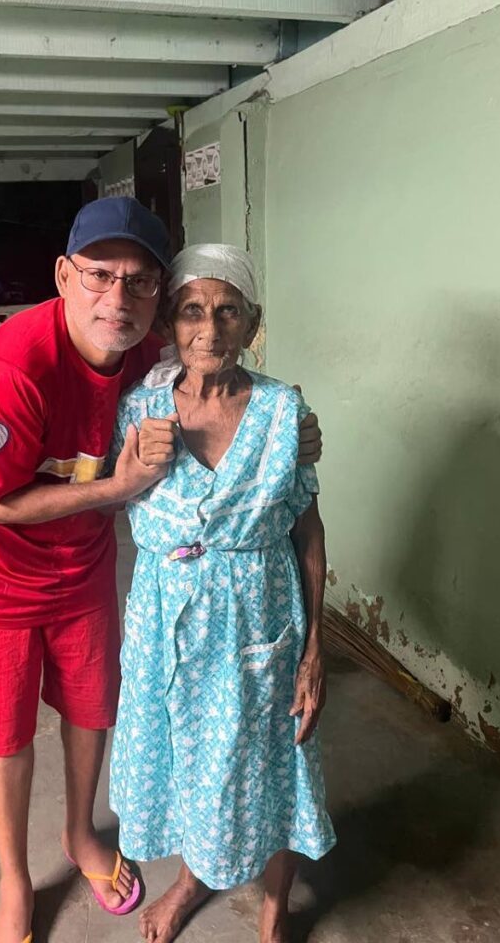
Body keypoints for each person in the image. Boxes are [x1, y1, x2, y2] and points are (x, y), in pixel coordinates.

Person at [0, 199, 324, 943]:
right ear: (66, 276)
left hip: (122, 578)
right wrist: (120, 487)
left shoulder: (237, 399)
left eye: (139, 281)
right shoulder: (48, 376)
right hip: (8, 578)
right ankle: (21, 884)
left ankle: (106, 845)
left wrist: (316, 644)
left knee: (114, 717)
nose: (116, 297)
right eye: (99, 276)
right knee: (16, 731)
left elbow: (299, 505)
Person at [109, 243, 336, 943]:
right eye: (192, 312)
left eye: (228, 311)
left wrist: (314, 651)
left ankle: (274, 910)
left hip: (258, 621)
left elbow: (309, 534)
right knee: (186, 764)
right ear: (170, 324)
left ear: (253, 322)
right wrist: (130, 466)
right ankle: (189, 881)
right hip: (165, 626)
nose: (210, 329)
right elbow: (111, 500)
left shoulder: (282, 413)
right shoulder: (140, 409)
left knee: (274, 763)